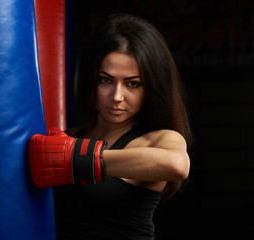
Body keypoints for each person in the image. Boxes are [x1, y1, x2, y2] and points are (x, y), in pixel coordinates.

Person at [29, 13, 192, 240]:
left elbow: (177, 164)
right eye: (105, 80)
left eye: (132, 84)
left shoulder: (156, 140)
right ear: (90, 80)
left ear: (151, 88)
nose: (116, 96)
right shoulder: (70, 139)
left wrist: (80, 161)